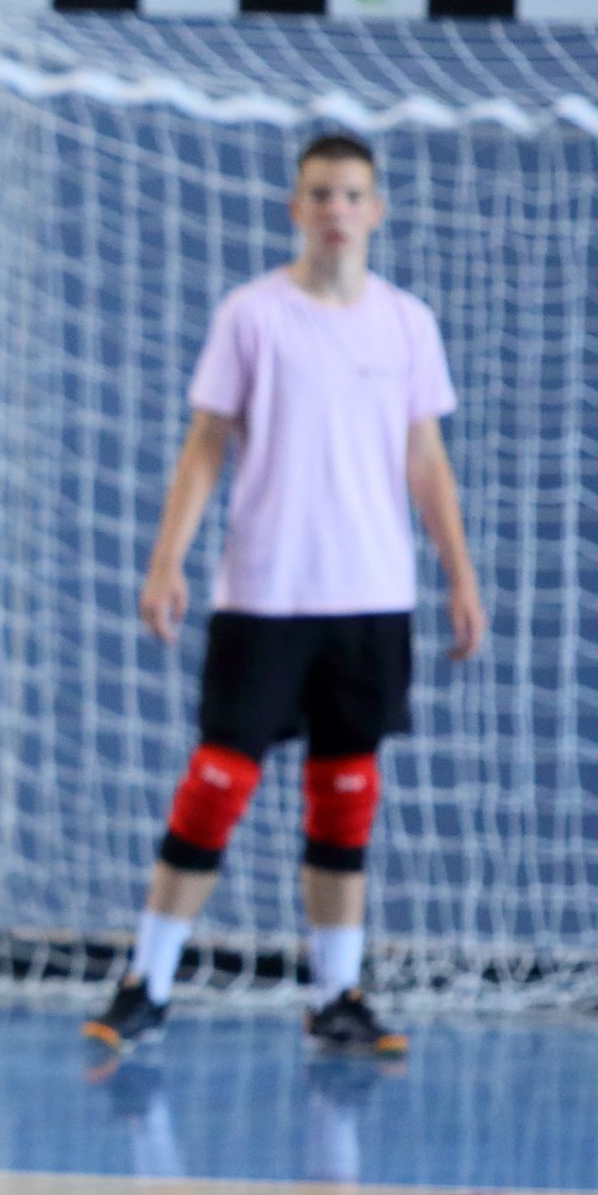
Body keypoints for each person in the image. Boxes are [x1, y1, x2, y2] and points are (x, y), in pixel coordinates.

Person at [85, 133, 486, 1061]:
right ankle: (147, 981)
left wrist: (459, 575)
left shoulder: (406, 324)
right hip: (264, 595)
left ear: (375, 210)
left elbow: (426, 459)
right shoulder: (253, 316)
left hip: (371, 598)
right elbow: (206, 445)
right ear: (296, 208)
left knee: (346, 794)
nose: (336, 210)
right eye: (320, 194)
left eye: (352, 195)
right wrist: (166, 559)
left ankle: (338, 993)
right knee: (217, 784)